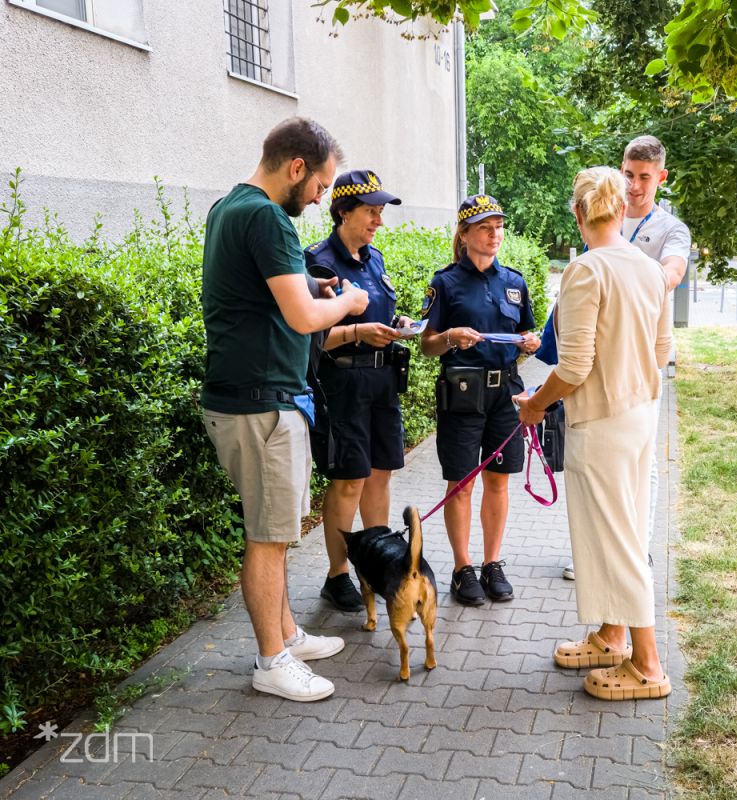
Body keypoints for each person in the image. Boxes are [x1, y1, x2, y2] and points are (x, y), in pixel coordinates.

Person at [201, 118, 370, 701]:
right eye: (322, 184)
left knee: (274, 531)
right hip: (261, 403)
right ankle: (272, 660)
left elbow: (273, 296)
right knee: (268, 539)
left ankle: (288, 634)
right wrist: (345, 298)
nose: (323, 196)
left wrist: (311, 285)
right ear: (296, 168)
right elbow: (301, 319)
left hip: (254, 399)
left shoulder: (230, 207)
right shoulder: (268, 216)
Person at [515, 166, 673, 699]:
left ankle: (648, 666)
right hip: (640, 416)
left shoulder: (585, 271)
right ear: (623, 210)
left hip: (603, 421)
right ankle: (612, 637)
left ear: (579, 214)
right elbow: (661, 352)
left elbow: (575, 366)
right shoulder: (650, 271)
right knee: (620, 531)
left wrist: (534, 406)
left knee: (619, 539)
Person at [559, 134, 692, 581]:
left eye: (644, 178)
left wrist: (632, 273)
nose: (634, 186)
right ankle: (601, 563)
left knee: (639, 469)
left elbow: (670, 274)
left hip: (636, 370)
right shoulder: (600, 219)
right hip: (597, 369)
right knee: (600, 481)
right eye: (628, 176)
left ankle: (639, 553)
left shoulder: (670, 230)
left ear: (661, 178)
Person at [419, 194, 540, 606]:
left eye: (499, 227)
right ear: (465, 234)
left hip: (506, 392)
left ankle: (492, 563)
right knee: (462, 482)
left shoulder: (515, 283)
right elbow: (427, 346)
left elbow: (528, 338)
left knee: (498, 481)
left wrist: (531, 343)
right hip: (463, 393)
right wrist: (450, 336)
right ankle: (462, 567)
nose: (495, 235)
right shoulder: (445, 282)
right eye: (485, 228)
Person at [304, 170, 408, 613]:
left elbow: (384, 313)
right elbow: (310, 338)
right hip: (342, 382)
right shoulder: (316, 263)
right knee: (349, 480)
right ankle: (337, 574)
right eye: (370, 212)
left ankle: (376, 563)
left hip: (382, 380)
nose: (378, 221)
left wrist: (399, 326)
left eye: (381, 212)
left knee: (380, 472)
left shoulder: (375, 259)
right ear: (343, 211)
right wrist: (358, 331)